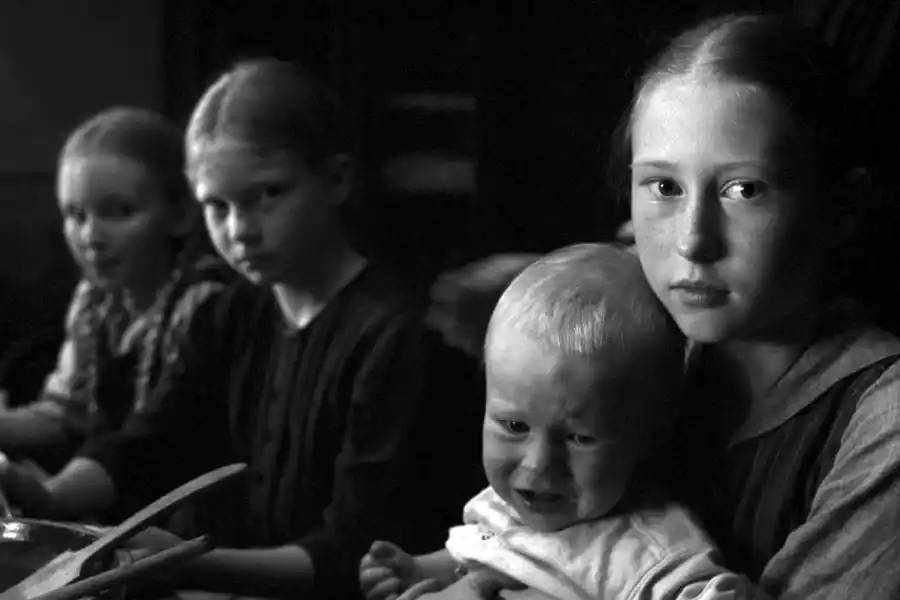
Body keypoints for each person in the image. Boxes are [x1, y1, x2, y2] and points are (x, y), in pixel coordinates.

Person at [420, 12, 900, 600]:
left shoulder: (881, 424)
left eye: (745, 190)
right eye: (664, 187)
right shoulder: (633, 335)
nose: (693, 241)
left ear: (842, 207)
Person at [0, 59, 484, 599]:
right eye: (217, 205)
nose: (239, 231)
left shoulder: (394, 336)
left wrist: (191, 564)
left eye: (268, 194)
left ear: (337, 178)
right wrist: (49, 496)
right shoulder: (233, 314)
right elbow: (152, 441)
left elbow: (353, 552)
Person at [360, 243, 750, 600]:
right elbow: (484, 552)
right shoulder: (505, 506)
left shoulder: (651, 555)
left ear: (649, 436)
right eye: (514, 427)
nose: (538, 465)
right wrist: (416, 570)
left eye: (579, 438)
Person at [0, 107, 232, 496]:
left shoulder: (202, 304)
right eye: (75, 215)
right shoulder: (95, 301)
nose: (91, 235)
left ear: (180, 213)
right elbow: (64, 414)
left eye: (119, 212)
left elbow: (160, 441)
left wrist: (54, 494)